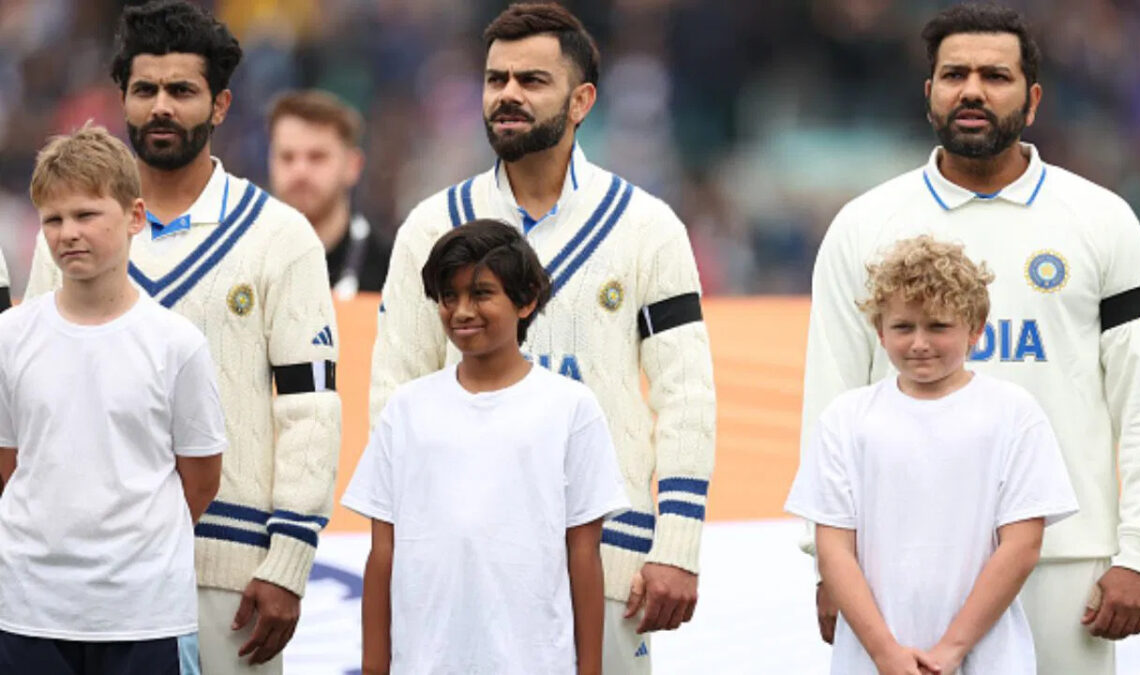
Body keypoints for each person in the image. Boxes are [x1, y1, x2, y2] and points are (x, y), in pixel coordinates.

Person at [798, 4, 1140, 673]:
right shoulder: (864, 225)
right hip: (901, 562)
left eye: (995, 76)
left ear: (1031, 100)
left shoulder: (1101, 219)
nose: (972, 90)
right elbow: (831, 399)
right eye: (954, 75)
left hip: (1067, 560)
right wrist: (828, 559)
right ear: (929, 94)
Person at [370, 4, 716, 672]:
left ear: (582, 99)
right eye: (495, 79)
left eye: (531, 81)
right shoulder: (429, 226)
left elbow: (687, 396)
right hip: (458, 565)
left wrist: (676, 543)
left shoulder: (647, 228)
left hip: (611, 560)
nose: (507, 94)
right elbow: (394, 399)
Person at [24, 2, 341, 672]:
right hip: (78, 577)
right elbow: (32, 394)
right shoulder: (70, 232)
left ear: (220, 104)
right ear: (122, 101)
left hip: (229, 573)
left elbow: (310, 411)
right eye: (145, 90)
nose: (161, 107)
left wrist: (287, 561)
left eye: (182, 91)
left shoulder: (279, 238)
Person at [344, 219, 629, 674]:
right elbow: (383, 555)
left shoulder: (571, 408)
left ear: (527, 299)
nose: (460, 311)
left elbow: (584, 555)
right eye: (448, 296)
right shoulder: (406, 410)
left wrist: (589, 669)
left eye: (480, 294)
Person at [787, 235, 1078, 675]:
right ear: (880, 331)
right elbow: (833, 551)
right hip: (870, 660)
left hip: (989, 659)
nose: (920, 342)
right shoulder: (846, 419)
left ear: (976, 328)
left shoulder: (1014, 413)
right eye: (904, 327)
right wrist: (885, 653)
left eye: (938, 326)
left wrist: (950, 650)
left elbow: (1022, 545)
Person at [0, 123, 225, 674]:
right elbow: (9, 464)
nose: (68, 233)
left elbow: (200, 479)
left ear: (134, 217)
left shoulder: (177, 345)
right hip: (29, 611)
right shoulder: (10, 337)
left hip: (144, 615)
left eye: (85, 215)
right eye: (54, 219)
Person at [267, 89, 390, 298]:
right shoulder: (240, 264)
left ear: (353, 165)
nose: (300, 171)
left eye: (317, 157)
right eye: (287, 157)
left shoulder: (393, 273)